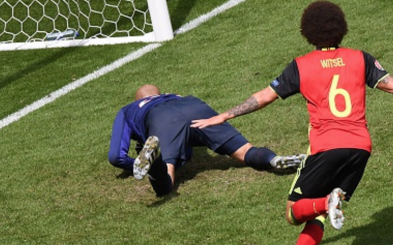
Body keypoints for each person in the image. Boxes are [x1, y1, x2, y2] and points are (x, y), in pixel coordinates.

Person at [190, 0, 393, 245]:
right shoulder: (359, 58)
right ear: (341, 28)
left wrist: (224, 115)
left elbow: (262, 97)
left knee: (293, 211)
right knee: (321, 216)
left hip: (326, 148)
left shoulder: (300, 66)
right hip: (360, 148)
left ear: (307, 31)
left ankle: (325, 202)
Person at [108, 84, 305, 197]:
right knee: (246, 151)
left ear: (137, 100)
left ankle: (155, 162)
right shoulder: (175, 95)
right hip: (194, 107)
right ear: (159, 93)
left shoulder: (129, 110)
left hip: (162, 120)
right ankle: (274, 160)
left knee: (165, 183)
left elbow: (116, 156)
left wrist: (135, 165)